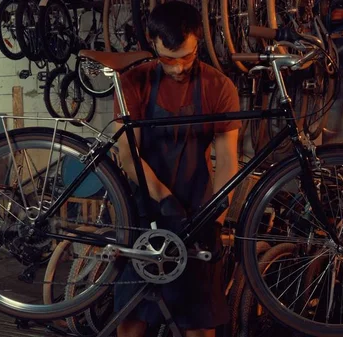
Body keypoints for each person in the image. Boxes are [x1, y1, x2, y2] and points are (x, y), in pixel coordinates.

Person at [112, 2, 241, 337]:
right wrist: (162, 197)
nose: (181, 67)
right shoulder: (133, 83)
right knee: (132, 320)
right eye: (170, 58)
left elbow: (227, 159)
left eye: (189, 55)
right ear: (152, 41)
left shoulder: (219, 87)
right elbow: (127, 153)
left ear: (198, 40)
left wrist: (216, 215)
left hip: (198, 209)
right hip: (142, 210)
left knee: (199, 324)